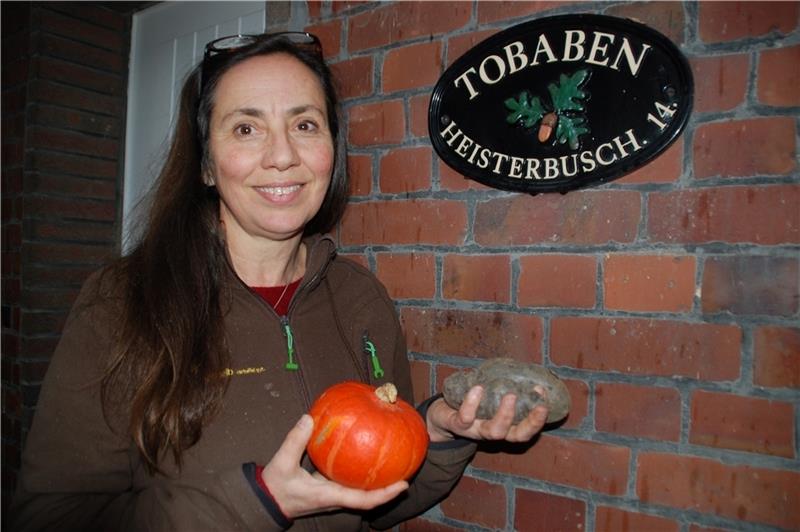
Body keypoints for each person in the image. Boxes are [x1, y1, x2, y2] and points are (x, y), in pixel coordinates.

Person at [10, 32, 549, 531]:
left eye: (304, 124)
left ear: (331, 151)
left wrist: (438, 433)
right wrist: (259, 500)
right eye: (246, 128)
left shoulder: (362, 300)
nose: (283, 156)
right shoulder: (122, 302)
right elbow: (54, 518)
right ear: (206, 164)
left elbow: (377, 497)